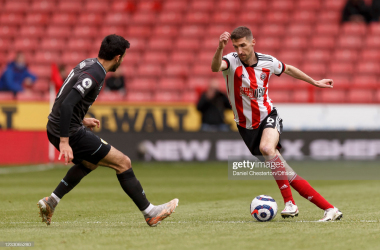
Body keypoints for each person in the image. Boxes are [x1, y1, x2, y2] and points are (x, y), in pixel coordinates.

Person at [37, 34, 178, 227]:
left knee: (90, 163)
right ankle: (150, 212)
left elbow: (65, 95)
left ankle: (51, 201)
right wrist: (64, 140)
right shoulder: (96, 73)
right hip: (68, 131)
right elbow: (67, 104)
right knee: (123, 162)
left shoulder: (88, 63)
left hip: (58, 125)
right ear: (118, 57)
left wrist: (81, 120)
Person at [211, 26, 342, 222]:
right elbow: (214, 67)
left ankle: (290, 203)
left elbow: (288, 69)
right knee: (287, 173)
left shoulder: (268, 62)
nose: (240, 51)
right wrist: (220, 48)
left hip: (268, 117)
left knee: (266, 147)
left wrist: (314, 82)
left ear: (253, 43)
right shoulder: (230, 61)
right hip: (246, 127)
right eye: (236, 46)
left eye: (243, 46)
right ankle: (330, 209)